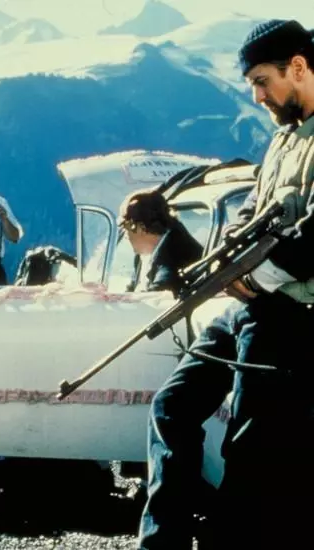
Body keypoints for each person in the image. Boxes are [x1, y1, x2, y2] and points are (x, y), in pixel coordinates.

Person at [136, 19, 314, 550]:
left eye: (262, 82)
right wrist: (231, 253)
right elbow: (256, 212)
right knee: (171, 407)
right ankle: (162, 542)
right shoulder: (284, 139)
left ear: (298, 67)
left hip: (295, 317)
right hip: (250, 309)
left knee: (252, 448)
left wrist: (255, 275)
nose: (257, 96)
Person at [118, 189, 204, 297]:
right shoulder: (143, 255)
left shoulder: (175, 252)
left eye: (126, 229)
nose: (126, 236)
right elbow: (133, 288)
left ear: (141, 228)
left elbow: (159, 295)